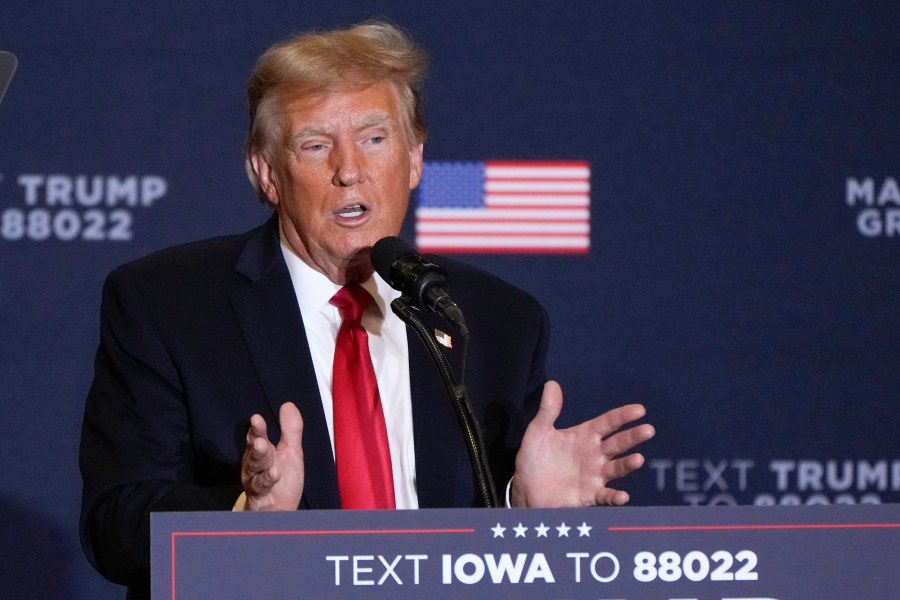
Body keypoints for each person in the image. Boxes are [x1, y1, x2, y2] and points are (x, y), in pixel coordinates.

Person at [79, 20, 655, 599]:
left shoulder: (494, 318)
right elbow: (115, 524)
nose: (349, 170)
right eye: (316, 145)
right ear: (267, 173)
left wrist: (521, 509)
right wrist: (242, 518)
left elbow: (502, 555)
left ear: (413, 160)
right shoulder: (168, 304)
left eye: (375, 139)